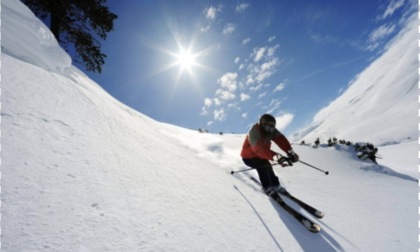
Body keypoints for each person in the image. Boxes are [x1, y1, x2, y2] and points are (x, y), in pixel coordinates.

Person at [240, 114, 299, 195]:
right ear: (261, 124)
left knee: (268, 166)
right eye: (267, 127)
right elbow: (259, 150)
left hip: (261, 156)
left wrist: (290, 152)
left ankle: (276, 185)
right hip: (249, 157)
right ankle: (267, 187)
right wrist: (277, 157)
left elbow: (281, 140)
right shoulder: (254, 132)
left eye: (272, 128)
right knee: (263, 166)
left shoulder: (271, 131)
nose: (269, 130)